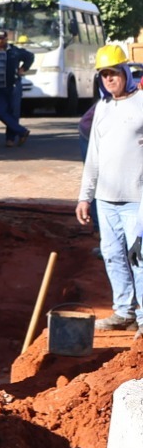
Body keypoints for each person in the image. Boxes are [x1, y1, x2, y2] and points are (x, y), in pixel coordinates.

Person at [77, 43, 143, 331]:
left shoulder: (141, 103)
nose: (109, 80)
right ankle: (124, 310)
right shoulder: (102, 109)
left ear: (126, 73)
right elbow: (93, 157)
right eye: (104, 75)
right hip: (105, 200)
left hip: (137, 199)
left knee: (139, 257)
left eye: (113, 73)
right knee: (113, 255)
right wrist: (84, 198)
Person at [0, 28, 33, 147]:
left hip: (14, 85)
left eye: (2, 38)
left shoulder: (14, 51)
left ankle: (10, 139)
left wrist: (23, 68)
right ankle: (22, 132)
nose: (0, 41)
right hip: (0, 87)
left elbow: (30, 56)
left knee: (13, 112)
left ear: (6, 39)